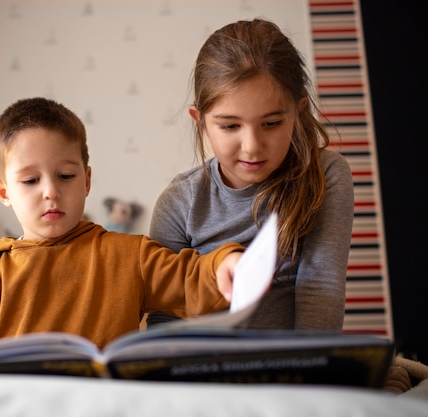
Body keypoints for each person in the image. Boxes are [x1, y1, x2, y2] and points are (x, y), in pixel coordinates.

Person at [0, 97, 245, 355]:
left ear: (87, 180)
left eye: (66, 176)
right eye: (30, 180)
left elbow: (189, 278)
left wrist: (224, 263)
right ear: (4, 192)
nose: (51, 192)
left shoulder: (130, 256)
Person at [148, 18, 354, 332]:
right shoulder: (178, 203)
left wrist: (306, 372)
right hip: (206, 372)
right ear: (200, 121)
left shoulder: (326, 174)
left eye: (271, 123)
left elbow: (319, 289)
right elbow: (164, 315)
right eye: (230, 126)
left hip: (292, 369)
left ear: (297, 114)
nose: (253, 147)